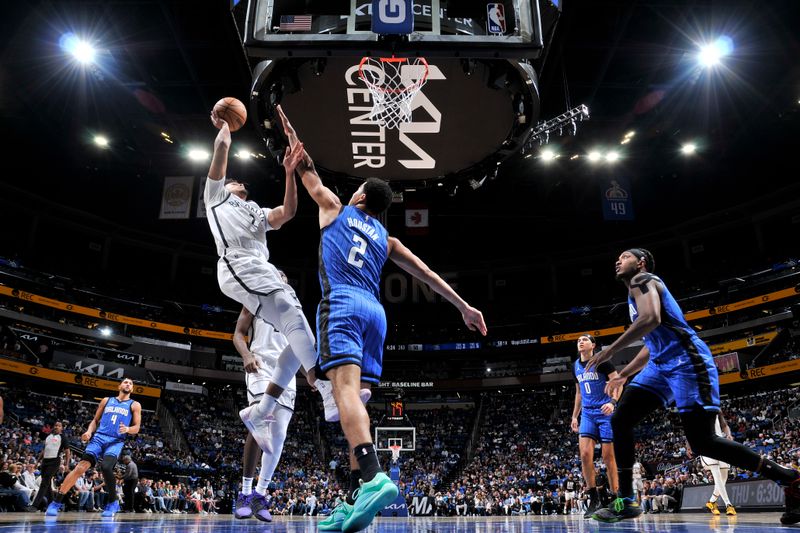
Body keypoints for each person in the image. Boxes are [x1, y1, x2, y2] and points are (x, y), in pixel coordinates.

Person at [277, 105, 487, 533]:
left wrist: (289, 131)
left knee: (343, 393)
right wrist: (463, 306)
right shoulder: (387, 240)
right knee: (358, 402)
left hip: (343, 304)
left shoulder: (335, 207)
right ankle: (358, 495)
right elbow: (426, 274)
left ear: (359, 198)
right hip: (376, 315)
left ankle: (373, 476)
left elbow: (306, 163)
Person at [587, 248, 800, 524]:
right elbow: (652, 343)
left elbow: (651, 319)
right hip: (660, 364)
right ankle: (627, 500)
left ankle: (789, 479)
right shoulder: (635, 292)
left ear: (640, 263)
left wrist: (610, 352)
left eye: (625, 256)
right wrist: (624, 374)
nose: (618, 260)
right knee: (621, 418)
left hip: (686, 360)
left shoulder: (644, 280)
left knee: (703, 442)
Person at [204, 110, 337, 450]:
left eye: (241, 183)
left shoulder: (256, 211)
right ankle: (321, 385)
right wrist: (224, 127)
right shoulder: (216, 198)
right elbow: (220, 154)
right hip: (237, 263)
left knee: (295, 327)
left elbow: (288, 212)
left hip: (259, 267)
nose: (240, 183)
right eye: (236, 181)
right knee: (289, 307)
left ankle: (264, 409)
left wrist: (290, 172)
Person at [232, 273, 296, 523]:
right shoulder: (254, 298)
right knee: (260, 420)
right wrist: (247, 355)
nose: (280, 276)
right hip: (260, 364)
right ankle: (245, 494)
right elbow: (238, 333)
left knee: (279, 435)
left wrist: (310, 375)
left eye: (284, 275)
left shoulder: (293, 306)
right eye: (276, 273)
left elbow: (299, 345)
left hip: (287, 371)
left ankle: (260, 495)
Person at [45, 377, 141, 518]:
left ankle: (113, 502)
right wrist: (89, 432)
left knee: (106, 467)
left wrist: (127, 428)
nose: (128, 384)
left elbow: (137, 428)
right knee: (80, 468)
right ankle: (56, 502)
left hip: (115, 441)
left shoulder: (134, 405)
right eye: (126, 382)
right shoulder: (106, 400)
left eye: (131, 383)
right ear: (119, 385)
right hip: (99, 438)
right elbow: (95, 420)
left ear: (132, 389)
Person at [570, 333, 621, 517]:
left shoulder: (603, 361)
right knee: (584, 455)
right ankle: (594, 498)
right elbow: (578, 393)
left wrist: (613, 402)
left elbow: (619, 383)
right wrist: (575, 416)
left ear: (593, 345)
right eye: (578, 340)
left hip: (605, 412)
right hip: (588, 414)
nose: (580, 342)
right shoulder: (575, 366)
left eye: (584, 340)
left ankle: (616, 498)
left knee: (608, 458)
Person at [689, 411, 736, 516]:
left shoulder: (715, 408)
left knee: (723, 478)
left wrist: (728, 435)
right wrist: (689, 446)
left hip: (720, 443)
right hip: (706, 444)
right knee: (717, 477)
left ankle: (711, 502)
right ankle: (729, 505)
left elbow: (724, 425)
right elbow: (690, 431)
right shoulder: (694, 412)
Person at [31, 420, 71, 510]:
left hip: (54, 461)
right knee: (47, 484)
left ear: (62, 428)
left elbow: (67, 451)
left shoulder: (63, 437)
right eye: (55, 425)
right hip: (45, 461)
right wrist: (37, 461)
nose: (56, 427)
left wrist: (67, 464)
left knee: (44, 483)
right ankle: (52, 505)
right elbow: (44, 450)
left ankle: (34, 505)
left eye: (59, 426)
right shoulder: (48, 437)